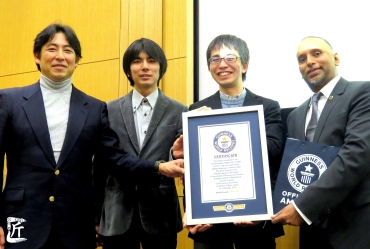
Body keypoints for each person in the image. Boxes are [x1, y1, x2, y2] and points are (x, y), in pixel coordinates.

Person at [0, 23, 184, 249]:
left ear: (77, 60)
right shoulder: (8, 101)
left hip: (76, 225)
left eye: (68, 50)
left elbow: (114, 160)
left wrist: (158, 168)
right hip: (22, 222)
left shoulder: (94, 109)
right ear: (37, 56)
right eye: (52, 49)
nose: (60, 56)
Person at [178, 34, 284, 249]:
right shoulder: (196, 111)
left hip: (255, 218)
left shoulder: (268, 107)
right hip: (210, 223)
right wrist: (192, 208)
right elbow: (193, 167)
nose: (222, 64)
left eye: (229, 57)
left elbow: (273, 151)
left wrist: (223, 130)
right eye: (215, 59)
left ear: (244, 65)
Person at [271, 36, 370, 249]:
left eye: (317, 54)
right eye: (302, 58)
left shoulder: (362, 93)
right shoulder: (295, 115)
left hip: (354, 228)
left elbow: (356, 155)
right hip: (311, 231)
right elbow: (291, 170)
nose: (309, 61)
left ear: (336, 58)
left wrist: (303, 207)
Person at [96, 38, 187, 249]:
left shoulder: (180, 110)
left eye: (152, 60)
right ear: (128, 70)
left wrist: (175, 157)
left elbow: (182, 157)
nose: (145, 66)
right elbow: (100, 166)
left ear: (160, 67)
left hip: (161, 214)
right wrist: (95, 217)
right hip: (116, 215)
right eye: (137, 61)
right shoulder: (107, 110)